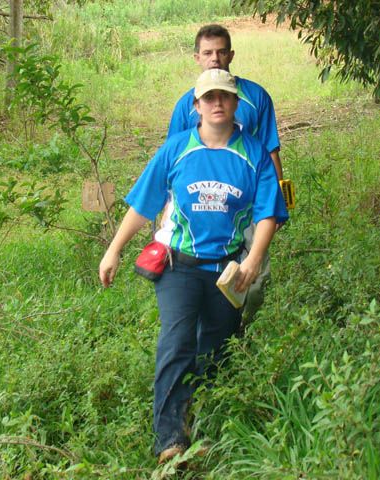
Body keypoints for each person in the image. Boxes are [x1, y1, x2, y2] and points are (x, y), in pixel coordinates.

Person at [99, 69, 288, 463]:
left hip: (226, 270)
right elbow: (143, 204)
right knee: (177, 341)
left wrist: (253, 258)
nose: (217, 103)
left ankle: (206, 420)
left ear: (236, 103)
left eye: (225, 96)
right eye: (209, 97)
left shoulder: (253, 153)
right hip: (178, 266)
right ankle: (169, 438)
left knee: (217, 348)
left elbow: (269, 212)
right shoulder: (175, 149)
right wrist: (113, 249)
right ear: (196, 105)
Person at [167, 23, 286, 323]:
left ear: (231, 54)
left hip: (249, 203)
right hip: (204, 206)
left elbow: (271, 151)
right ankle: (215, 337)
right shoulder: (187, 105)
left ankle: (240, 330)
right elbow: (173, 163)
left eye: (221, 52)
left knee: (255, 280)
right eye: (207, 53)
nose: (214, 59)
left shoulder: (256, 97)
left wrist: (279, 203)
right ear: (196, 57)